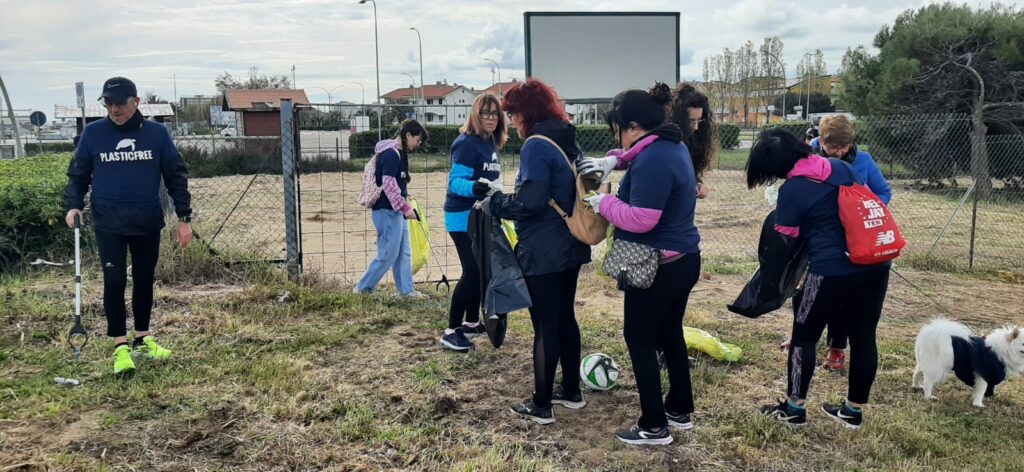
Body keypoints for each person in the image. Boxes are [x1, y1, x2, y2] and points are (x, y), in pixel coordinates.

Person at [580, 84, 702, 446]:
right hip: (682, 260)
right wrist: (614, 160)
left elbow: (642, 219)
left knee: (639, 339)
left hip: (656, 267)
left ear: (632, 126)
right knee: (669, 333)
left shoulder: (654, 160)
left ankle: (653, 425)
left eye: (617, 129)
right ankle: (679, 408)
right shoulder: (671, 144)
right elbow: (635, 153)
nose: (616, 136)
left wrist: (603, 203)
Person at [747, 128, 891, 430]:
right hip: (874, 263)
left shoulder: (792, 190)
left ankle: (794, 409)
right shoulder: (841, 167)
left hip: (830, 270)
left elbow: (787, 240)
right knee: (864, 336)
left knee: (804, 337)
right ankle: (853, 412)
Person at [62, 76, 192, 375]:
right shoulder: (93, 134)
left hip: (147, 219)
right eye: (108, 103)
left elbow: (175, 175)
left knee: (144, 279)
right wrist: (73, 205)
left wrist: (184, 218)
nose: (114, 109)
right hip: (109, 221)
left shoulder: (157, 134)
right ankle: (120, 346)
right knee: (115, 281)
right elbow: (78, 174)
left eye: (120, 103)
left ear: (136, 102)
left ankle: (143, 338)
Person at [480, 78, 590, 425]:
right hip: (572, 239)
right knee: (565, 317)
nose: (511, 121)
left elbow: (530, 201)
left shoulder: (536, 146)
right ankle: (571, 391)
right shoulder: (568, 140)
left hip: (543, 247)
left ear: (527, 112)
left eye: (513, 113)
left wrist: (494, 203)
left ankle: (541, 404)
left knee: (544, 324)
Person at [808, 114, 893, 371]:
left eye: (844, 147)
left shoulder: (863, 160)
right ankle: (803, 337)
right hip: (819, 236)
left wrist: (864, 210)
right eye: (832, 147)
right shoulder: (809, 156)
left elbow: (884, 192)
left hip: (852, 238)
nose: (838, 152)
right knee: (808, 292)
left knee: (844, 297)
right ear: (821, 141)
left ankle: (837, 347)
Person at [439, 94, 507, 351]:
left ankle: (470, 322)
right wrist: (475, 187)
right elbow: (455, 182)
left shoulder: (490, 142)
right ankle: (451, 330)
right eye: (485, 113)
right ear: (475, 116)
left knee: (481, 269)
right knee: (473, 271)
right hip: (461, 217)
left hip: (481, 215)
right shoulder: (465, 143)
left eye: (495, 113)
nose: (491, 118)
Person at [354, 119, 428, 297]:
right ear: (408, 135)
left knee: (403, 252)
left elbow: (398, 182)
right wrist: (404, 206)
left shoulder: (401, 154)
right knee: (388, 254)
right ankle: (363, 288)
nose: (418, 144)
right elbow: (388, 183)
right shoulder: (390, 155)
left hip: (396, 211)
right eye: (417, 140)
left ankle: (407, 291)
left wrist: (405, 199)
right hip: (386, 210)